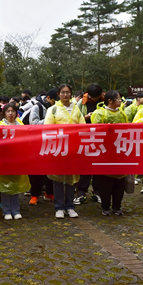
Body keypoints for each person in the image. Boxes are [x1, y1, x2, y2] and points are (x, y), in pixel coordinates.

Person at [44, 84, 85, 219]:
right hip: (59, 148)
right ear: (59, 94)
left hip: (73, 148)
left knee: (71, 179)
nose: (65, 95)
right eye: (63, 92)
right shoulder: (53, 109)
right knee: (58, 178)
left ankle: (70, 206)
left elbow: (82, 126)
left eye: (68, 92)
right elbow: (48, 127)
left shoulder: (76, 109)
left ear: (71, 94)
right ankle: (59, 206)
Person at [0, 102, 29, 220]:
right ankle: (6, 211)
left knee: (15, 185)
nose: (10, 113)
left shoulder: (20, 125)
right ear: (4, 113)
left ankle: (16, 210)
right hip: (4, 160)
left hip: (17, 160)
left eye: (13, 111)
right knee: (5, 186)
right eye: (8, 111)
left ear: (16, 113)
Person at [91, 90, 128, 216]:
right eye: (118, 99)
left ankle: (117, 206)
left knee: (120, 181)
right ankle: (105, 206)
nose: (120, 101)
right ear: (110, 101)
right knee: (105, 181)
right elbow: (95, 131)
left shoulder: (122, 113)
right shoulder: (99, 113)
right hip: (105, 152)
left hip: (120, 151)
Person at [74, 83, 104, 205]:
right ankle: (81, 191)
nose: (94, 99)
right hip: (85, 136)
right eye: (92, 97)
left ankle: (96, 191)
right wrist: (86, 117)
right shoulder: (81, 102)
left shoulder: (105, 100)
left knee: (98, 165)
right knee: (85, 165)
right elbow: (76, 118)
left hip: (101, 137)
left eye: (96, 97)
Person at [28, 89, 58, 205]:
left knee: (51, 169)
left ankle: (49, 193)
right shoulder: (37, 107)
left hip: (51, 141)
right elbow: (33, 124)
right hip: (37, 142)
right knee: (36, 170)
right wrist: (49, 119)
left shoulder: (57, 108)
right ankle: (35, 194)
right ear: (49, 98)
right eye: (55, 100)